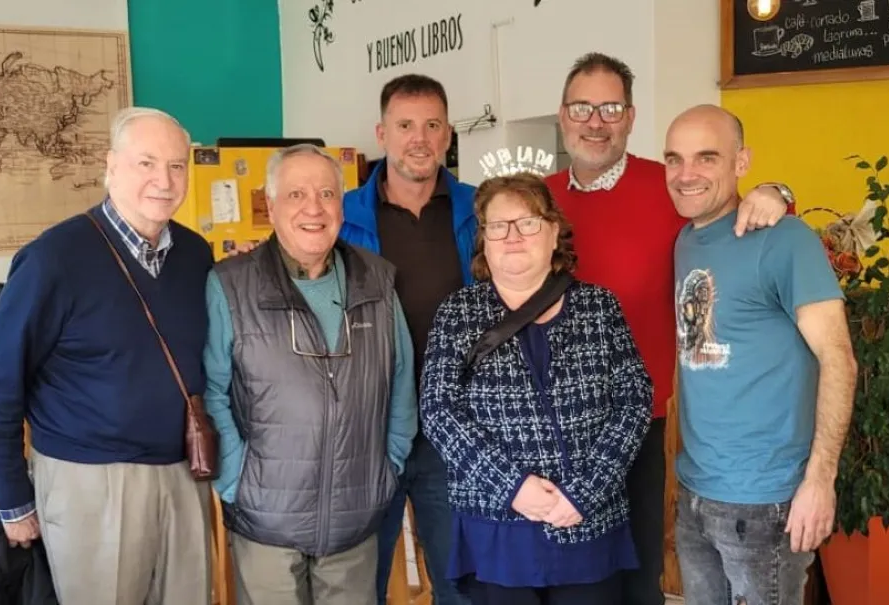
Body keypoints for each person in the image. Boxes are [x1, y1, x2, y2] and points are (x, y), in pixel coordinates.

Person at [545, 52, 794, 605]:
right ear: (563, 116)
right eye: (582, 107)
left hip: (641, 421)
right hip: (552, 426)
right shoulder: (539, 200)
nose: (595, 120)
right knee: (564, 577)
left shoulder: (669, 188)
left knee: (635, 577)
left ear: (631, 117)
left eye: (610, 107)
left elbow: (733, 201)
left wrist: (778, 192)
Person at [0, 107, 215, 605]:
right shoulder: (53, 259)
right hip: (91, 483)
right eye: (146, 163)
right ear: (111, 166)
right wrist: (13, 500)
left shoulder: (196, 254)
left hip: (183, 475)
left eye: (176, 165)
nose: (163, 180)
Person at [419, 173, 654, 605]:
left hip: (585, 519)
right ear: (484, 241)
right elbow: (438, 410)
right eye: (498, 226)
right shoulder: (458, 314)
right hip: (497, 523)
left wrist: (586, 490)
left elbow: (634, 402)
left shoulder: (599, 307)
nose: (512, 237)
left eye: (527, 223)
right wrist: (512, 486)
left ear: (552, 233)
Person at [203, 143, 418, 605]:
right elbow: (212, 392)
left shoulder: (376, 282)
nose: (313, 208)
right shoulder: (230, 285)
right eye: (297, 194)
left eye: (326, 193)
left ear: (342, 205)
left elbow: (400, 379)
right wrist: (237, 479)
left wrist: (389, 464)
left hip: (355, 516)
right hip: (265, 517)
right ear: (271, 204)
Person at [665, 104, 856, 604]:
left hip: (767, 502)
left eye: (707, 158)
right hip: (695, 493)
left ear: (741, 162)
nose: (687, 174)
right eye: (674, 159)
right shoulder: (686, 239)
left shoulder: (785, 240)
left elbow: (839, 358)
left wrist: (820, 481)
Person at [339, 74, 475, 605]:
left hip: (456, 431)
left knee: (460, 582)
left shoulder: (480, 209)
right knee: (360, 582)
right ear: (382, 133)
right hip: (370, 430)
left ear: (447, 135)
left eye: (432, 124)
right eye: (405, 125)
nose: (419, 138)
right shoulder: (341, 216)